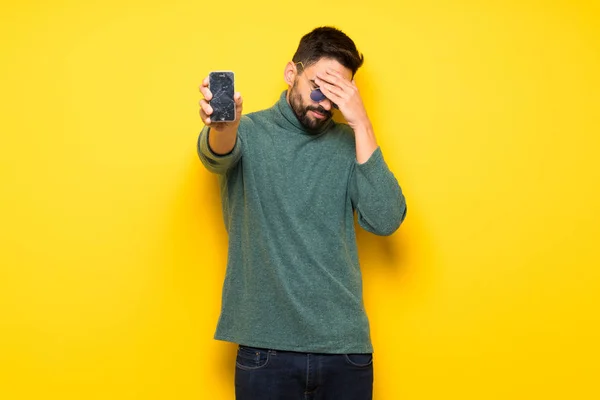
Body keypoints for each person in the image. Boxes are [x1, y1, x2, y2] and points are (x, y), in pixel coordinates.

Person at [197, 26, 407, 400]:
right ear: (291, 73)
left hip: (345, 350)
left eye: (337, 94)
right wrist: (222, 125)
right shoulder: (248, 132)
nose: (324, 103)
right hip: (266, 349)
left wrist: (361, 123)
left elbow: (387, 219)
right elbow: (217, 152)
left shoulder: (351, 143)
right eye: (317, 86)